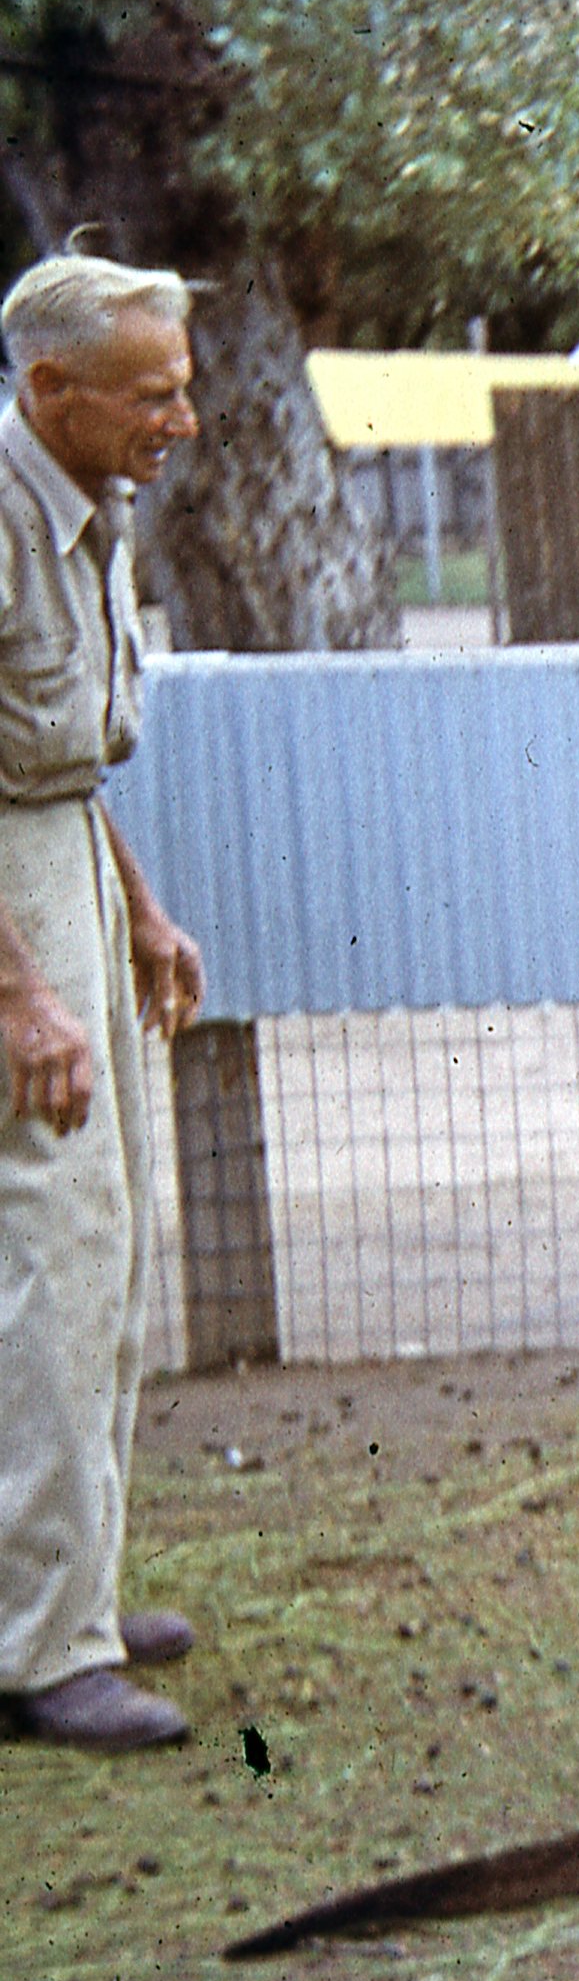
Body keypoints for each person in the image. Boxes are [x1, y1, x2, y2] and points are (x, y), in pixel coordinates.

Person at [0, 251, 207, 1752]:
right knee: (50, 1253)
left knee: (115, 1242)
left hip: (63, 844)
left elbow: (60, 748)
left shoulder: (96, 503)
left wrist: (136, 907)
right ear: (48, 388)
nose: (180, 419)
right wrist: (20, 994)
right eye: (153, 393)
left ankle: (68, 1584)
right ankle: (38, 1644)